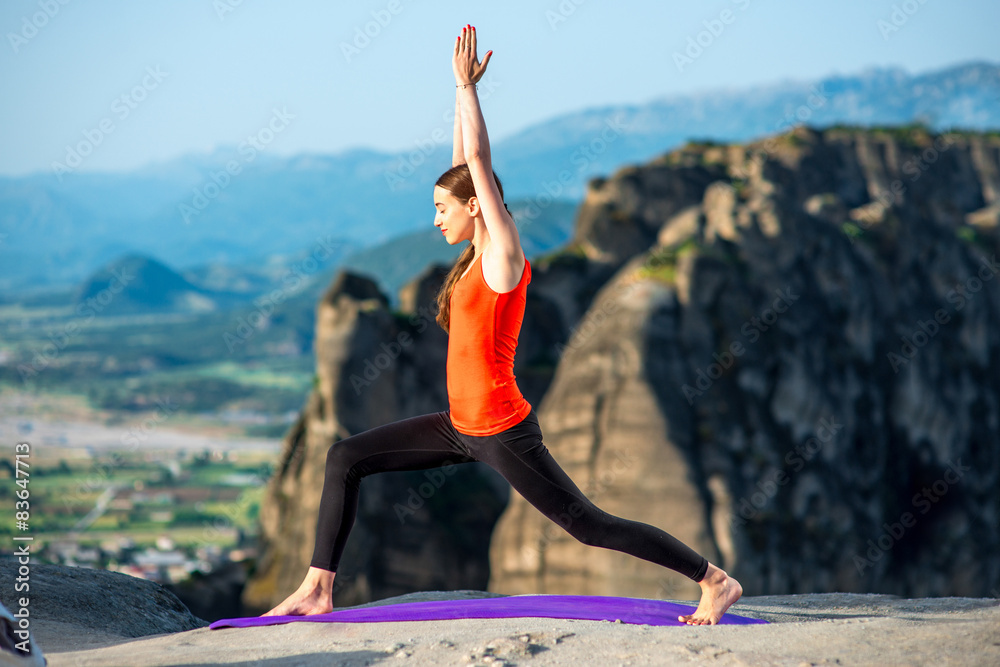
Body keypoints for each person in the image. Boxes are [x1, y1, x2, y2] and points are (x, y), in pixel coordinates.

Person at [263, 24, 742, 626]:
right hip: (456, 425)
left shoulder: (503, 259)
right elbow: (465, 166)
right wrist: (456, 97)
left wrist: (468, 90)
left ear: (474, 209)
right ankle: (317, 588)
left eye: (443, 209)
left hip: (500, 431)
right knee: (344, 456)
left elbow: (480, 168)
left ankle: (715, 580)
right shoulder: (470, 260)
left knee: (588, 525)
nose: (436, 220)